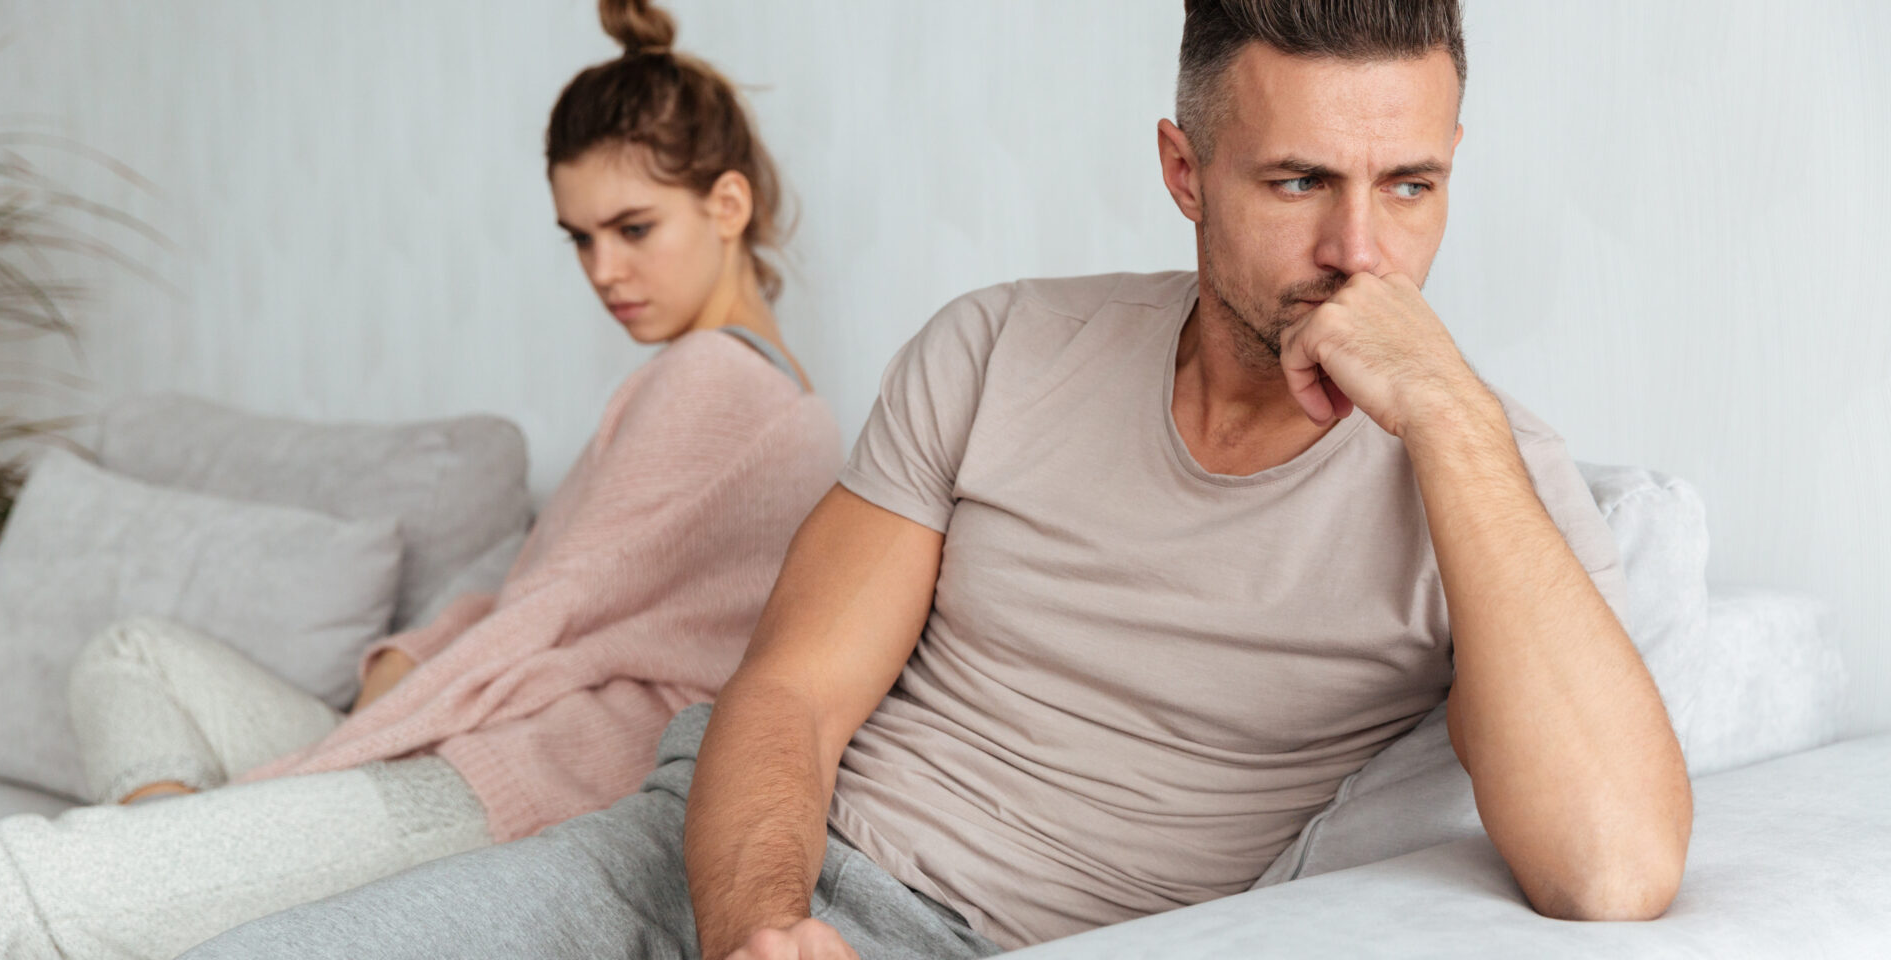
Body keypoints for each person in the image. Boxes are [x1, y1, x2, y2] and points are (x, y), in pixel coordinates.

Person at [185, 2, 1692, 958]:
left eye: (1410, 187)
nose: (1359, 253)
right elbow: (789, 696)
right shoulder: (999, 349)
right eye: (1298, 182)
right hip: (722, 850)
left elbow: (1616, 870)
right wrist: (758, 923)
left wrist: (1450, 418)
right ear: (1185, 170)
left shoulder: (1492, 480)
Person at [0, 1, 839, 956]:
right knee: (132, 654)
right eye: (580, 238)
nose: (604, 269)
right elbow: (570, 598)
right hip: (484, 735)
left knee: (25, 887)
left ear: (728, 204)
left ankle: (180, 877)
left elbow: (553, 616)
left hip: (513, 775)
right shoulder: (779, 397)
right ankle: (193, 885)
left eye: (633, 228)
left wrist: (387, 705)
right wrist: (420, 652)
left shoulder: (710, 380)